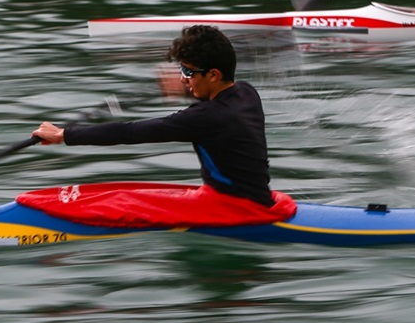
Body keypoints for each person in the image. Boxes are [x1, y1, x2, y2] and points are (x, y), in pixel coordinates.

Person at [31, 25, 285, 212]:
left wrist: (63, 135)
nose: (184, 77)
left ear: (214, 74)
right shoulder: (246, 92)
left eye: (188, 72)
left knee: (118, 203)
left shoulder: (205, 117)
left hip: (233, 208)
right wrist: (188, 91)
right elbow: (218, 114)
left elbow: (129, 132)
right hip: (260, 199)